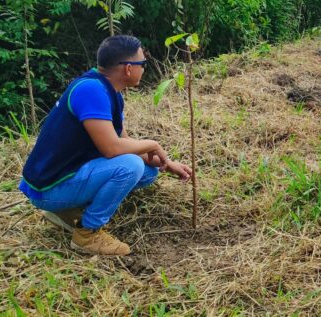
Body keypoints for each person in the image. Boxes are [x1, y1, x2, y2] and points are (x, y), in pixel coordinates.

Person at [18, 35, 193, 256]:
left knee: (148, 172)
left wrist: (167, 163)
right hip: (47, 189)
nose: (144, 69)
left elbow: (125, 143)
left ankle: (66, 211)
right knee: (130, 166)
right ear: (128, 69)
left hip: (63, 175)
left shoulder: (109, 92)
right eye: (143, 65)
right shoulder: (91, 91)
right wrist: (153, 143)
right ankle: (87, 234)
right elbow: (113, 149)